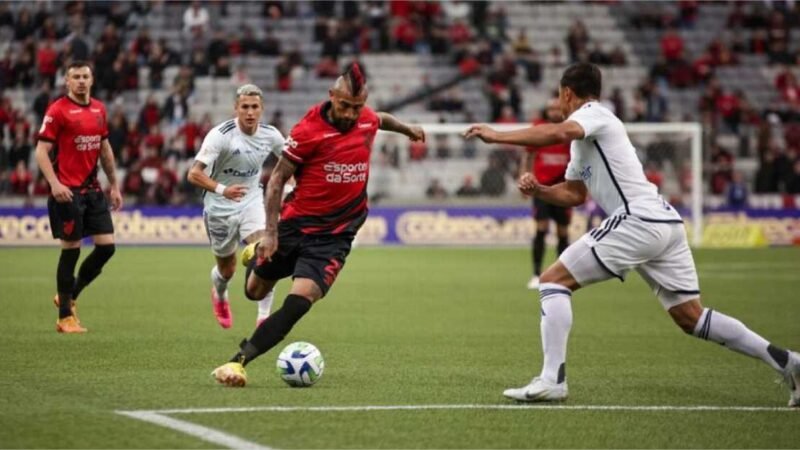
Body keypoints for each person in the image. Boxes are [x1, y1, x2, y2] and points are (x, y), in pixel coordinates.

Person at [464, 62, 799, 407]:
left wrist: (498, 135)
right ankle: (789, 362)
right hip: (663, 223)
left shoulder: (596, 114)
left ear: (567, 93)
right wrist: (540, 191)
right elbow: (575, 195)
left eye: (559, 96)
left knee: (553, 282)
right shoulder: (585, 142)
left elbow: (558, 133)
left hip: (638, 219)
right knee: (691, 317)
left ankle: (552, 380)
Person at [211, 63, 425, 387]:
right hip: (295, 225)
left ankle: (237, 363)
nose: (352, 114)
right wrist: (270, 233)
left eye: (357, 107)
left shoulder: (365, 117)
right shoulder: (308, 130)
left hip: (335, 236)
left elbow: (381, 118)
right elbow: (277, 180)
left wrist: (408, 129)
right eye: (344, 106)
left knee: (300, 302)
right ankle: (257, 252)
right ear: (331, 96)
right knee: (254, 291)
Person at [34, 60, 123, 334]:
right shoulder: (58, 110)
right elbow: (41, 151)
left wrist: (115, 185)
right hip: (67, 192)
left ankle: (69, 294)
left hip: (92, 189)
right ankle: (65, 318)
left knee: (107, 247)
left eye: (85, 76)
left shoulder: (99, 109)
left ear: (92, 80)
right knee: (71, 250)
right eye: (76, 77)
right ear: (67, 81)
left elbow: (104, 149)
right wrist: (54, 183)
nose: (82, 81)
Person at [187, 84, 285, 329]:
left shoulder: (271, 135)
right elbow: (193, 174)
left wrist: (292, 189)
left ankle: (264, 317)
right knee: (227, 270)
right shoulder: (221, 135)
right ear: (236, 108)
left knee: (266, 252)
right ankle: (220, 294)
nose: (250, 112)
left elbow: (290, 165)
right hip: (219, 208)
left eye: (254, 107)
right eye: (245, 107)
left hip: (251, 201)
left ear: (262, 109)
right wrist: (223, 189)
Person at [522, 98, 572, 290]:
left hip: (563, 188)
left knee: (563, 232)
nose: (553, 111)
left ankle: (562, 275)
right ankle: (536, 273)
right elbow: (528, 154)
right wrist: (525, 177)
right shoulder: (539, 128)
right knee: (541, 229)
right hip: (540, 188)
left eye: (557, 108)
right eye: (550, 108)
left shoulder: (570, 130)